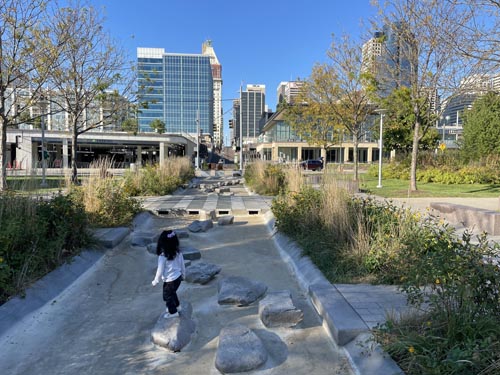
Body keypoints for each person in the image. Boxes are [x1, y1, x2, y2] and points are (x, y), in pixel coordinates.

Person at [151, 229, 186, 318]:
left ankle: (173, 312)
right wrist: (183, 274)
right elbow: (182, 264)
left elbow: (160, 270)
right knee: (172, 293)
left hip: (169, 280)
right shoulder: (178, 252)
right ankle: (178, 307)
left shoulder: (163, 256)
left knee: (167, 296)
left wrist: (156, 280)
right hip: (178, 278)